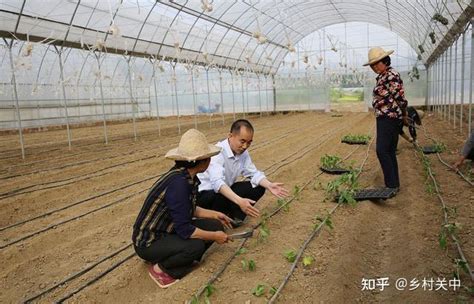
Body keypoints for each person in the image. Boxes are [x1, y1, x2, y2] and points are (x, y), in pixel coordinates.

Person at [132, 129, 232, 289]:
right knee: (196, 245)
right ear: (199, 161)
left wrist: (215, 215)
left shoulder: (186, 177)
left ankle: (179, 257)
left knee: (215, 225)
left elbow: (189, 209)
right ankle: (162, 269)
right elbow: (185, 230)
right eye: (207, 158)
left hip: (167, 231)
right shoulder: (179, 184)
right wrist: (214, 236)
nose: (209, 161)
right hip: (149, 242)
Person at [197, 119, 289, 222]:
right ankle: (214, 218)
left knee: (258, 187)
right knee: (221, 196)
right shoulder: (218, 152)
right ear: (230, 136)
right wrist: (240, 201)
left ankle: (234, 217)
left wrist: (269, 185)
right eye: (242, 141)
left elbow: (253, 173)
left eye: (249, 142)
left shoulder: (242, 153)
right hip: (206, 196)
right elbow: (217, 184)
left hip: (223, 192)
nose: (245, 146)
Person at [363, 47, 408, 192]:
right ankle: (393, 184)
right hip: (387, 117)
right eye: (372, 65)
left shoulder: (391, 75)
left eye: (378, 63)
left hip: (389, 117)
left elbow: (399, 97)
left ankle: (391, 185)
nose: (375, 67)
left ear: (385, 61)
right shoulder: (384, 75)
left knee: (382, 150)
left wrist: (403, 114)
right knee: (388, 150)